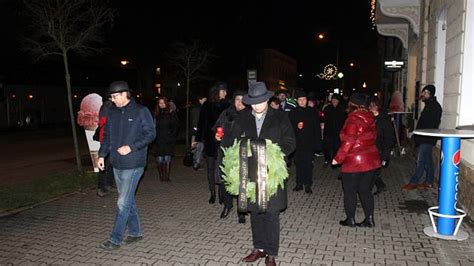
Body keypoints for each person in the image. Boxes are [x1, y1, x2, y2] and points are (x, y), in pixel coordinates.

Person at [227, 81, 296, 266]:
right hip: (249, 173)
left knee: (271, 213)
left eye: (261, 101)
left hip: (272, 173)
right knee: (256, 213)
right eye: (254, 102)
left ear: (267, 99)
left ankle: (271, 253)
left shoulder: (280, 117)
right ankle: (258, 248)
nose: (257, 105)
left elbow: (290, 142)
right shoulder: (243, 117)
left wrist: (274, 154)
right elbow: (232, 141)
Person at [97, 80, 156, 250]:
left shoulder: (141, 111)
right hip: (116, 163)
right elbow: (107, 136)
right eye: (111, 97)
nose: (112, 99)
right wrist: (102, 155)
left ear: (124, 94)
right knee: (128, 200)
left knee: (122, 202)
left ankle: (115, 239)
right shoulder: (112, 112)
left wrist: (131, 147)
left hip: (134, 163)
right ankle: (136, 232)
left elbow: (150, 134)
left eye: (115, 96)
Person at [332, 93, 381, 228]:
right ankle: (369, 219)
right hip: (371, 160)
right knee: (365, 190)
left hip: (354, 161)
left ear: (352, 104)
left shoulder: (353, 119)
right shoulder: (370, 117)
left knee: (350, 190)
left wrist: (338, 158)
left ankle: (350, 219)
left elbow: (349, 141)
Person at [213, 90, 247, 222]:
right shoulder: (226, 113)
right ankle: (228, 205)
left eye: (242, 99)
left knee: (242, 181)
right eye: (237, 99)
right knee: (225, 180)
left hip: (242, 152)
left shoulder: (250, 115)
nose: (239, 102)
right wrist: (216, 136)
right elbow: (217, 128)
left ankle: (242, 210)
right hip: (226, 151)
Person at [194, 82, 230, 204]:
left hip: (223, 142)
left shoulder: (228, 105)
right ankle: (212, 193)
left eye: (226, 90)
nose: (225, 93)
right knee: (210, 168)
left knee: (221, 168)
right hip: (210, 141)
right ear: (217, 92)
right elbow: (202, 123)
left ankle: (220, 193)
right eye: (223, 90)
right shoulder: (207, 105)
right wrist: (198, 139)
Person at [402, 85, 442, 190]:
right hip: (423, 138)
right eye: (423, 92)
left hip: (427, 139)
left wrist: (420, 134)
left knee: (420, 161)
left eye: (425, 93)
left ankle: (413, 182)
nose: (422, 94)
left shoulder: (435, 107)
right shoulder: (428, 105)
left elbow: (431, 125)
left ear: (431, 94)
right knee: (428, 161)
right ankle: (429, 182)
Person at [289, 90, 322, 194]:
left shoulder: (312, 111)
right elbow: (288, 128)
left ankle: (308, 184)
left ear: (307, 100)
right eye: (300, 100)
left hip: (309, 143)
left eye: (304, 99)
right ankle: (299, 183)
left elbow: (317, 128)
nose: (302, 102)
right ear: (297, 101)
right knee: (298, 164)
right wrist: (296, 126)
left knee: (308, 164)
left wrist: (318, 143)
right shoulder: (293, 112)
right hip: (297, 143)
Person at [368, 97, 396, 195]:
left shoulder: (384, 120)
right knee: (371, 172)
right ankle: (380, 186)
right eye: (370, 106)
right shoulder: (368, 118)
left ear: (378, 106)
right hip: (369, 149)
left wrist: (385, 155)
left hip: (379, 150)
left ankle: (367, 192)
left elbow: (389, 139)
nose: (372, 108)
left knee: (373, 172)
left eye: (374, 106)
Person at [154, 96, 179, 182]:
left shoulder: (171, 114)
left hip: (168, 139)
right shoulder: (156, 115)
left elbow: (175, 127)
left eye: (163, 103)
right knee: (160, 158)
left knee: (167, 158)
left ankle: (167, 176)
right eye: (160, 103)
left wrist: (172, 136)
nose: (161, 104)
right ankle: (161, 176)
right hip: (158, 140)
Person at [95, 99, 115, 197]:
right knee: (106, 164)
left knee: (109, 164)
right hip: (107, 140)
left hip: (105, 139)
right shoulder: (109, 107)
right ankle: (103, 187)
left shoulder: (106, 107)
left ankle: (107, 185)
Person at [322, 93, 346, 166]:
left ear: (338, 101)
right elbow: (322, 119)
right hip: (328, 132)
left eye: (336, 100)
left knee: (336, 147)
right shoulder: (327, 108)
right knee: (327, 147)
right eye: (333, 99)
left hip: (338, 132)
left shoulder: (342, 109)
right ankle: (327, 159)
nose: (334, 101)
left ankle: (334, 159)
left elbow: (345, 121)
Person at [190, 95, 207, 170]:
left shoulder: (204, 108)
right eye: (204, 99)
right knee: (198, 147)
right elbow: (195, 122)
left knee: (200, 148)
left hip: (202, 132)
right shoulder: (197, 109)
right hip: (197, 132)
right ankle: (196, 163)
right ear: (200, 100)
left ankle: (198, 162)